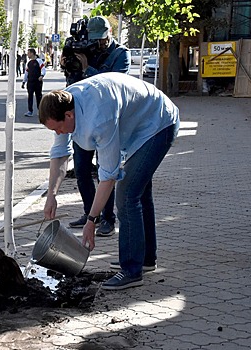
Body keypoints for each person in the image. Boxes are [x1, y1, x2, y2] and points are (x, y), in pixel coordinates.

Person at [39, 72, 179, 291]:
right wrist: (51, 196)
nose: (58, 133)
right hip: (139, 128)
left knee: (127, 195)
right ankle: (145, 259)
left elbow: (108, 176)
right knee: (140, 194)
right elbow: (59, 154)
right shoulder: (65, 103)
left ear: (68, 116)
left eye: (57, 128)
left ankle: (132, 270)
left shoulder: (99, 118)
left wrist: (91, 221)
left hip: (158, 125)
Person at [59, 15, 131, 236]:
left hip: (107, 122)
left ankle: (108, 218)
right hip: (82, 120)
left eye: (102, 38)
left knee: (105, 171)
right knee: (81, 170)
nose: (98, 43)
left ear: (110, 33)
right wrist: (69, 66)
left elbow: (113, 84)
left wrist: (88, 67)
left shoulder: (121, 54)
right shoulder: (86, 49)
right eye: (95, 39)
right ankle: (91, 213)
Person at [21, 48, 46, 117]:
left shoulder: (39, 61)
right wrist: (24, 82)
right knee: (30, 96)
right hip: (30, 82)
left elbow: (43, 69)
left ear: (32, 53)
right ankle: (30, 111)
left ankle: (40, 111)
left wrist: (42, 75)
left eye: (28, 53)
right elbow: (26, 73)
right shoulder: (28, 63)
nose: (27, 54)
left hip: (38, 82)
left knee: (39, 96)